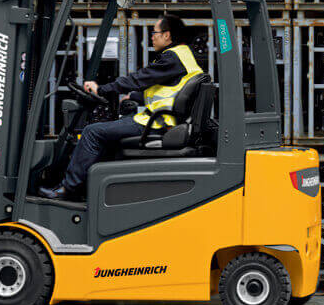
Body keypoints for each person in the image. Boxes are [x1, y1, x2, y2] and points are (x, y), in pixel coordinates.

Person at [39, 14, 204, 200]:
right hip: (163, 120)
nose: (151, 36)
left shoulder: (172, 58)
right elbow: (168, 89)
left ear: (167, 35)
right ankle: (89, 189)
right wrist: (133, 96)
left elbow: (139, 78)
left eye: (154, 32)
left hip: (156, 123)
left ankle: (67, 189)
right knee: (106, 133)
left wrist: (101, 89)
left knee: (92, 132)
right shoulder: (184, 55)